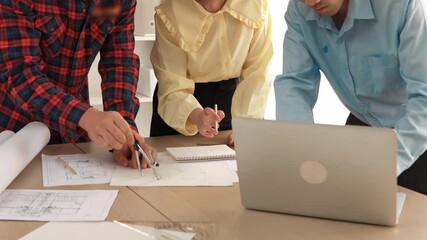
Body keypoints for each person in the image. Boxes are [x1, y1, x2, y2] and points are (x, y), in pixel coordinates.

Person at [274, 0, 427, 194]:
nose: (312, 2)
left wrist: (388, 164)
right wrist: (302, 150)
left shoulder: (401, 5)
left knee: (414, 220)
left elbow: (424, 96)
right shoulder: (299, 9)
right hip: (363, 124)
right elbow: (294, 83)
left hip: (417, 133)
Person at [0, 0, 156, 168]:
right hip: (13, 136)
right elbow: (20, 75)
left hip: (74, 136)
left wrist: (123, 132)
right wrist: (87, 117)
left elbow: (119, 62)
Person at [150, 0, 273, 145]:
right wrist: (196, 116)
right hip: (182, 114)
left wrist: (247, 125)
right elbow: (172, 85)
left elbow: (258, 73)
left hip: (240, 104)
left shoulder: (255, 5)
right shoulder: (170, 12)